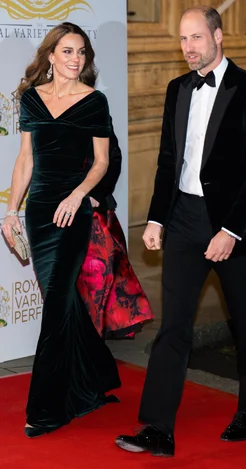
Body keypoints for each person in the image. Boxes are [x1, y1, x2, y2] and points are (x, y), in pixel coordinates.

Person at [115, 5, 246, 457]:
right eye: (183, 40)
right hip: (183, 219)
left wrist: (231, 232)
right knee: (174, 326)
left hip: (232, 225)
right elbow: (169, 161)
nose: (188, 48)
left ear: (219, 37)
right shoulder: (176, 89)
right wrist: (157, 219)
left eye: (196, 38)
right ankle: (158, 428)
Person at [0, 22, 120, 438]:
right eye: (67, 51)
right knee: (65, 301)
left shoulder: (94, 101)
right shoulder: (32, 99)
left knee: (54, 304)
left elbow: (102, 162)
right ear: (51, 56)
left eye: (81, 52)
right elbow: (25, 162)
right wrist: (10, 212)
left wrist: (78, 195)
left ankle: (47, 409)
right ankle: (94, 377)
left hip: (72, 214)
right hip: (39, 213)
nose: (75, 59)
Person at [78, 119, 155, 339]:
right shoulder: (49, 105)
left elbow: (114, 157)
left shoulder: (96, 109)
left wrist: (97, 194)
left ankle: (96, 329)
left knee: (104, 268)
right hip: (59, 203)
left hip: (94, 207)